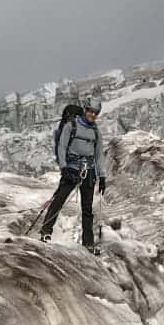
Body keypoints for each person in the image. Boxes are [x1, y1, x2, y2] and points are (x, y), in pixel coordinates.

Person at [40, 98, 108, 252]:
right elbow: (62, 147)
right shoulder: (71, 126)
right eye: (90, 111)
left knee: (87, 209)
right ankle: (45, 232)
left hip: (88, 171)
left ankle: (88, 244)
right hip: (71, 169)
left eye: (95, 113)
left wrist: (102, 176)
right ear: (85, 110)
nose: (92, 114)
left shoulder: (96, 131)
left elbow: (99, 156)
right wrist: (64, 168)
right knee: (59, 200)